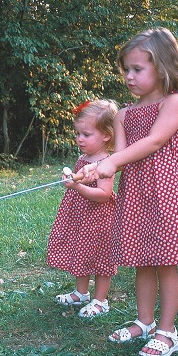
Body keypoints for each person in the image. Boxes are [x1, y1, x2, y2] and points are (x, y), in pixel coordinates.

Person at [81, 28, 178, 356]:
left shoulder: (174, 103)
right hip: (136, 193)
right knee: (142, 261)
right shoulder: (123, 114)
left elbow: (153, 141)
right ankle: (145, 322)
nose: (129, 76)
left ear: (163, 66)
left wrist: (114, 161)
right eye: (126, 70)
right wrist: (94, 169)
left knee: (165, 261)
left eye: (137, 69)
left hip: (165, 192)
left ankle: (168, 332)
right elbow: (118, 158)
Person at [47, 99, 118, 318]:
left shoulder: (107, 161)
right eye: (78, 134)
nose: (79, 139)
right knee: (81, 252)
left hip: (99, 220)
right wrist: (72, 179)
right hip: (81, 218)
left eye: (86, 135)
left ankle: (100, 301)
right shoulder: (83, 159)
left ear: (106, 135)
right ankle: (81, 293)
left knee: (100, 258)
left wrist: (77, 186)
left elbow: (103, 195)